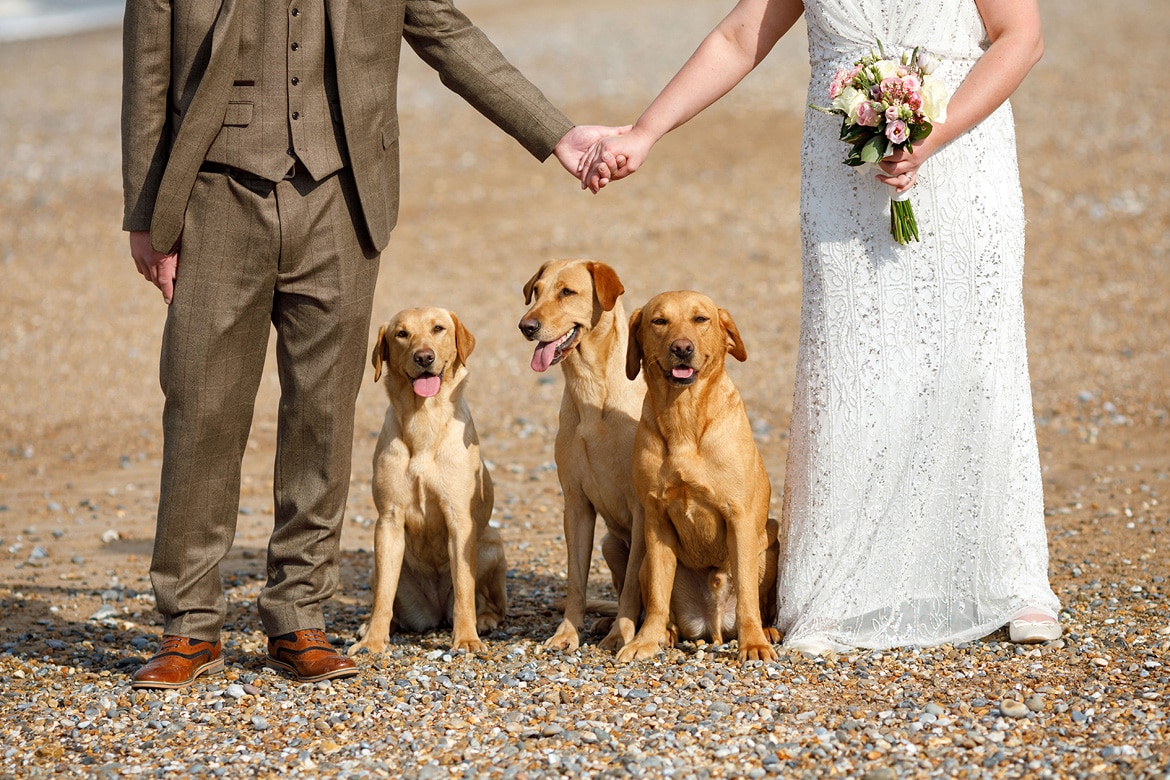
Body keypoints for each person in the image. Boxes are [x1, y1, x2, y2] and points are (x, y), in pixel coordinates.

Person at [122, 0, 626, 689]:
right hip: (213, 190)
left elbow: (445, 33)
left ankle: (300, 613)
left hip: (341, 195)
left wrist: (557, 135)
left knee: (323, 412)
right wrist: (147, 212)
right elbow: (148, 65)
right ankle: (187, 626)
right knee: (200, 405)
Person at [581, 0, 1062, 653]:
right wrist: (645, 131)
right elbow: (737, 35)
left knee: (975, 361)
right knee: (852, 368)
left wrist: (931, 137)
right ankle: (844, 589)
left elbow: (1020, 39)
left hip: (962, 165)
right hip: (843, 184)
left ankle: (1009, 579)